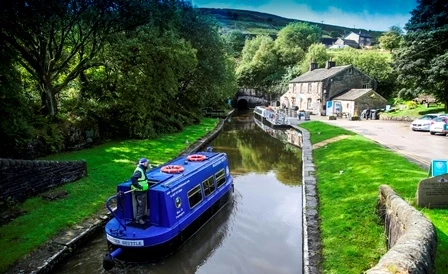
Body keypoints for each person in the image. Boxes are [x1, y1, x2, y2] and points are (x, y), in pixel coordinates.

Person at [130, 158, 150, 224]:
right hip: (140, 191)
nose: (147, 164)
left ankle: (140, 216)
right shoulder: (139, 171)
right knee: (142, 205)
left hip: (142, 191)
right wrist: (139, 186)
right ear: (144, 163)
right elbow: (133, 178)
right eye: (147, 163)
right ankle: (138, 219)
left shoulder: (141, 169)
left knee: (141, 204)